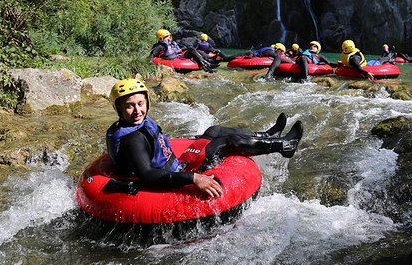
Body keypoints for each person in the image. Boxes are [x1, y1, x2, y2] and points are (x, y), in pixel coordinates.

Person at [106, 78, 304, 197]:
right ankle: (285, 145)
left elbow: (156, 145)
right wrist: (194, 178)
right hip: (175, 176)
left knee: (215, 130)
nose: (137, 110)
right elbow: (148, 176)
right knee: (228, 141)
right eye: (129, 106)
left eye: (140, 103)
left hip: (176, 165)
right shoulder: (132, 139)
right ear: (119, 109)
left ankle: (266, 135)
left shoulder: (136, 125)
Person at [149, 29, 217, 73]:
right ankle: (208, 66)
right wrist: (150, 63)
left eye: (169, 36)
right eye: (167, 36)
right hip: (171, 59)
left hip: (177, 57)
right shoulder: (160, 46)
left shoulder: (172, 43)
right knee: (191, 49)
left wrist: (180, 50)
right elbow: (152, 54)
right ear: (161, 38)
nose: (170, 37)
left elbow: (184, 47)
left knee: (191, 49)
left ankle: (206, 65)